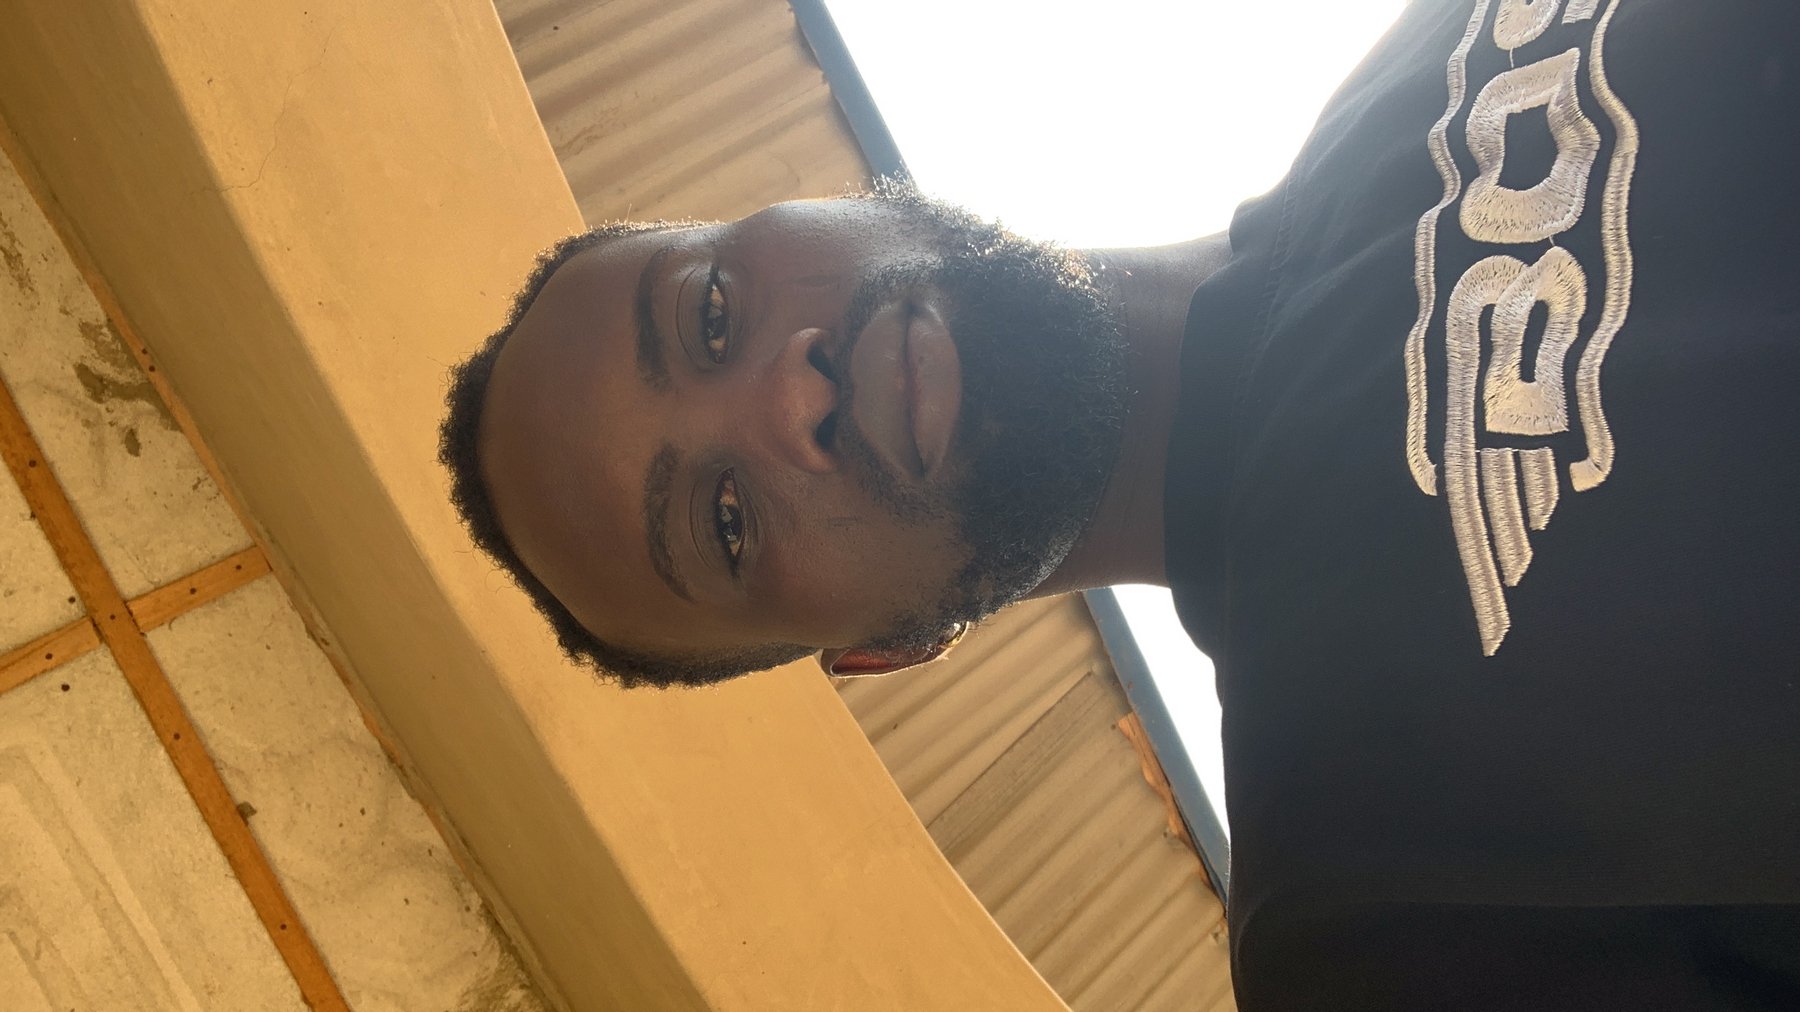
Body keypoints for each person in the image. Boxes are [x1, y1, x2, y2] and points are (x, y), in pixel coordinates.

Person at [442, 0, 1799, 1006]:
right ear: (888, 649)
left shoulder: (1436, 46)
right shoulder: (1373, 924)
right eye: (724, 524)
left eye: (709, 314)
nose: (787, 401)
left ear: (807, 205)